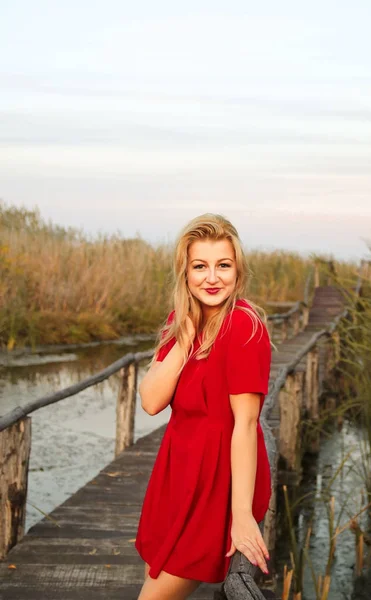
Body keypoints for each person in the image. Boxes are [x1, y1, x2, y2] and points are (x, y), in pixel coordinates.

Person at [135, 213, 272, 600]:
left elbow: (245, 424)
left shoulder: (243, 327)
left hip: (217, 479)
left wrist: (241, 514)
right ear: (185, 272)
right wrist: (188, 332)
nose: (212, 278)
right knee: (155, 574)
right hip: (177, 470)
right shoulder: (182, 319)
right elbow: (150, 400)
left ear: (237, 270)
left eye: (223, 265)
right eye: (200, 266)